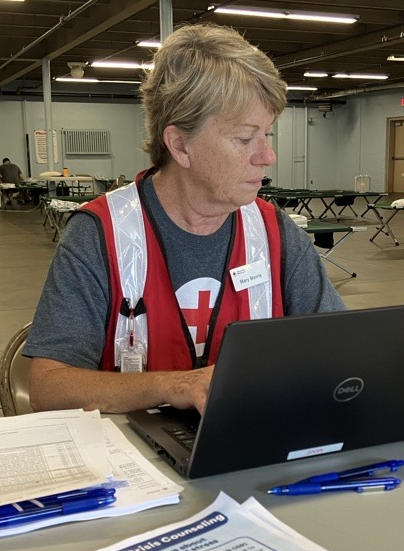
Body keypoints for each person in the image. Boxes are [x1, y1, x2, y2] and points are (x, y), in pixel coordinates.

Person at [24, 23, 345, 415]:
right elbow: (48, 388)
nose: (267, 156)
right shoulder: (101, 233)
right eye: (245, 138)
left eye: (268, 135)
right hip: (131, 464)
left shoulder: (274, 232)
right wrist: (171, 385)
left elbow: (338, 353)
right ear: (180, 145)